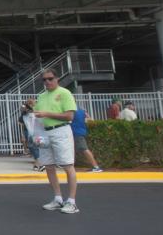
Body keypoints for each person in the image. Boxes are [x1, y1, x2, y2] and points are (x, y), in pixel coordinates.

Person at [33, 69, 79, 214]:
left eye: (50, 78)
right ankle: (58, 199)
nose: (47, 82)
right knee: (49, 166)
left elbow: (69, 116)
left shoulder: (64, 93)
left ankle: (72, 201)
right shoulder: (41, 97)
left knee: (67, 165)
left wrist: (47, 113)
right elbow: (38, 116)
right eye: (44, 80)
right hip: (45, 132)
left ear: (57, 78)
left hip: (61, 130)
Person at [71, 107, 103, 172]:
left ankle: (96, 167)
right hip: (80, 131)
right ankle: (71, 168)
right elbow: (90, 120)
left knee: (84, 149)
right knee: (73, 150)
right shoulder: (82, 110)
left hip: (75, 132)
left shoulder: (71, 111)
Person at [18, 100, 43, 172]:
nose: (31, 105)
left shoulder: (37, 111)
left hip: (37, 131)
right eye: (29, 103)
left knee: (37, 146)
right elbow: (21, 123)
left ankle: (38, 163)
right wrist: (22, 135)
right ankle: (37, 162)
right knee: (32, 147)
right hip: (27, 131)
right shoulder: (25, 113)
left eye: (32, 103)